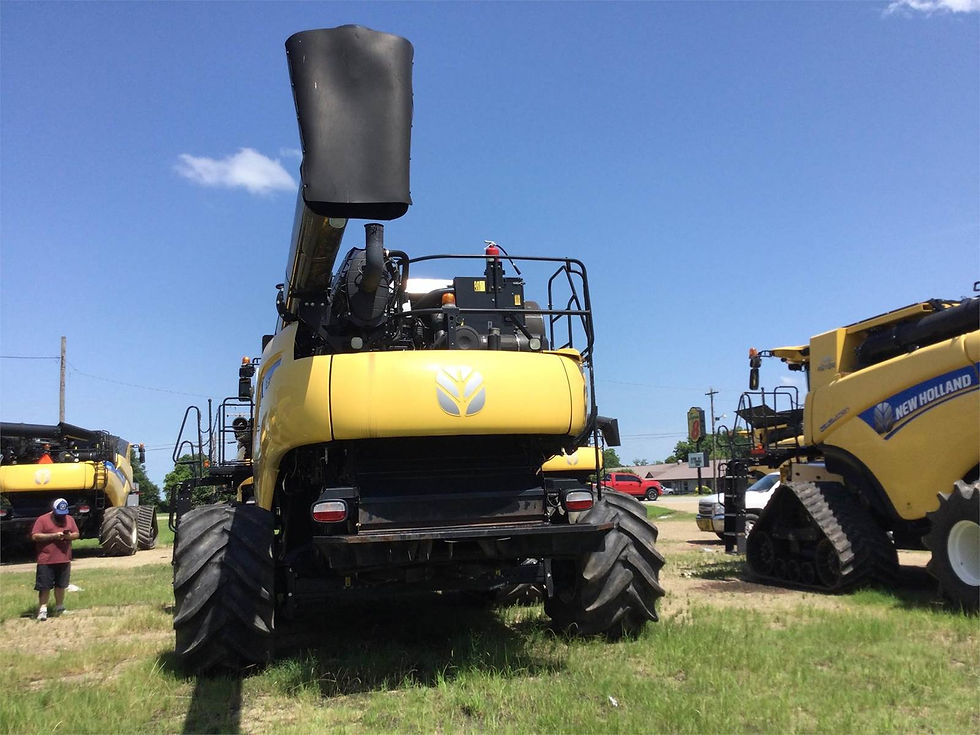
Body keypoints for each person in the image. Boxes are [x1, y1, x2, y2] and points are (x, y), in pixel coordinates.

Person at [30, 498, 79, 621]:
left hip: (64, 558)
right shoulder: (42, 519)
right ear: (53, 510)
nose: (61, 516)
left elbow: (76, 534)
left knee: (61, 585)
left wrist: (68, 536)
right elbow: (35, 536)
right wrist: (54, 536)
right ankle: (42, 610)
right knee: (45, 586)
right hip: (46, 559)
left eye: (63, 514)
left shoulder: (69, 519)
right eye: (59, 513)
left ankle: (59, 607)